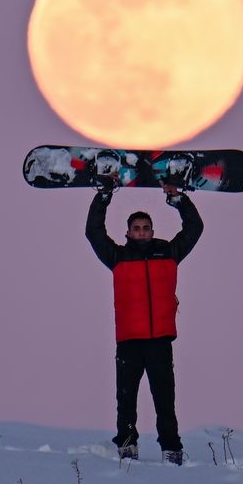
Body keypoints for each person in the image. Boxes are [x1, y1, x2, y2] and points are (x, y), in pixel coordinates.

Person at [85, 180, 203, 466]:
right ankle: (127, 447)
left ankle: (172, 450)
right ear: (127, 233)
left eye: (145, 228)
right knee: (126, 401)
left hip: (160, 340)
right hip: (129, 342)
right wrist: (103, 197)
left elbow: (194, 229)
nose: (141, 232)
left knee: (165, 401)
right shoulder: (118, 257)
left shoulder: (169, 253)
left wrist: (177, 199)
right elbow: (94, 232)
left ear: (152, 231)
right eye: (136, 228)